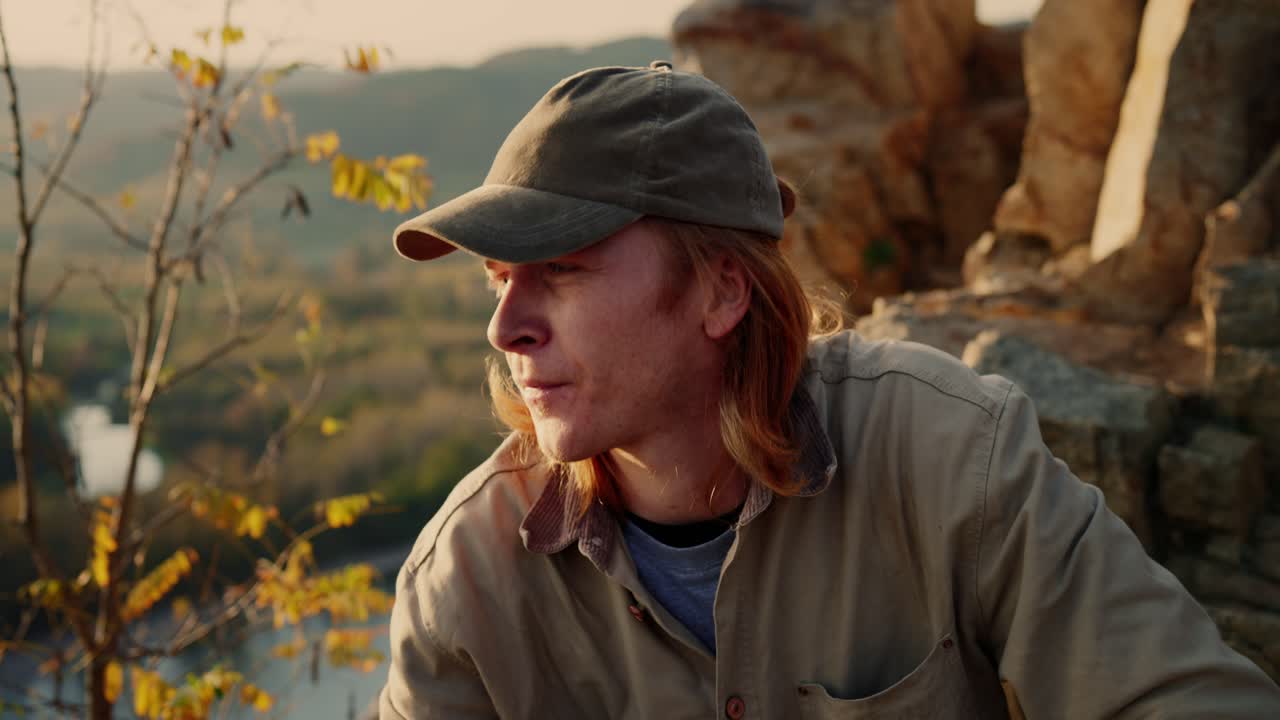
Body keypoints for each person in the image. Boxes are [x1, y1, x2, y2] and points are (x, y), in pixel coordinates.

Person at [378, 61, 1280, 719]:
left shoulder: (950, 454)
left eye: (562, 271)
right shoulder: (465, 585)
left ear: (722, 290)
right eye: (499, 279)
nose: (506, 329)